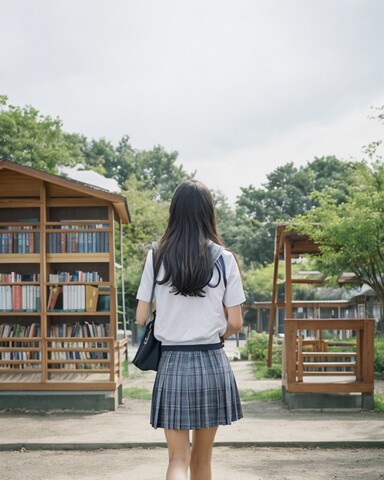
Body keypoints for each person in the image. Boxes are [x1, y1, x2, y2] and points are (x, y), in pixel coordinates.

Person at [136, 179, 245, 480]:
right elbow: (235, 322)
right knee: (202, 460)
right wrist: (214, 332)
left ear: (174, 212)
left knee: (177, 459)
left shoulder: (156, 255)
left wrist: (169, 315)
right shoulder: (225, 259)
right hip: (211, 362)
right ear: (208, 213)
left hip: (172, 363)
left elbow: (141, 314)